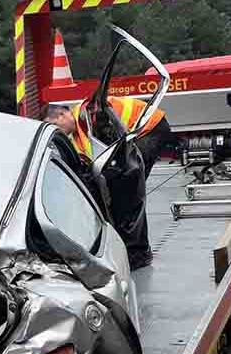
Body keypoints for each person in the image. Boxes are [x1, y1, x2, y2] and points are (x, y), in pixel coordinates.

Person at [43, 99, 172, 270]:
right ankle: (132, 245)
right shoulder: (77, 135)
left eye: (54, 125)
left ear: (62, 115)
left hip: (150, 127)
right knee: (126, 192)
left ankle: (138, 254)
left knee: (130, 190)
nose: (56, 131)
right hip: (134, 133)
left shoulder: (88, 114)